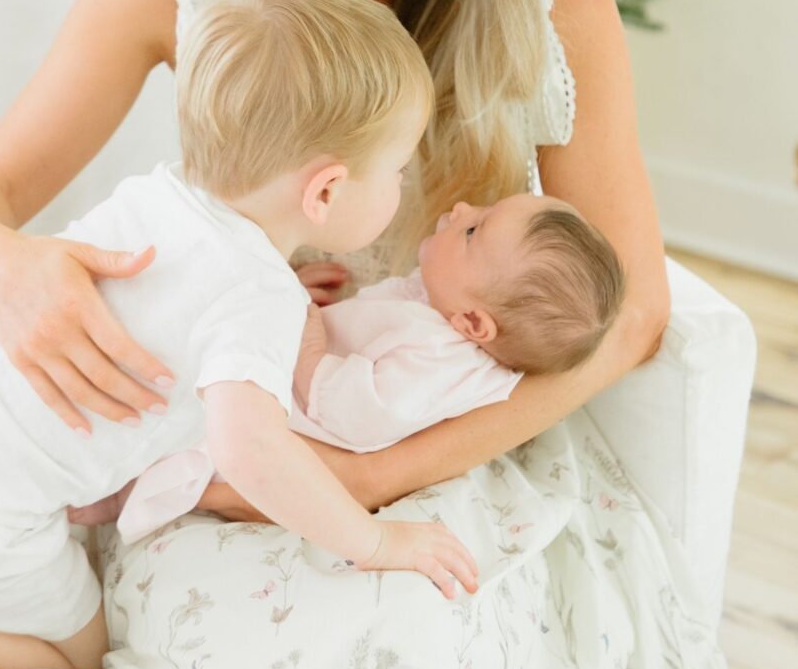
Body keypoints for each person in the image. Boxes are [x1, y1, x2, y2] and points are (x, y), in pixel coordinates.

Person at [0, 0, 671, 660]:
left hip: (446, 425)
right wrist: (6, 256)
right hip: (218, 444)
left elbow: (634, 308)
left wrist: (376, 477)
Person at [0, 0, 494, 669]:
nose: (403, 187)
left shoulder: (155, 193)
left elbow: (174, 302)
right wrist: (375, 545)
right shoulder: (256, 297)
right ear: (326, 191)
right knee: (79, 653)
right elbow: (251, 449)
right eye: (397, 170)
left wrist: (278, 294)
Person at [80, 191, 627, 544]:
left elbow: (354, 413)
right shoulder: (441, 316)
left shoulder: (442, 362)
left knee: (179, 429)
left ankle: (100, 497)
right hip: (277, 387)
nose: (460, 208)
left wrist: (307, 330)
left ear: (474, 325)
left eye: (472, 232)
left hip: (280, 422)